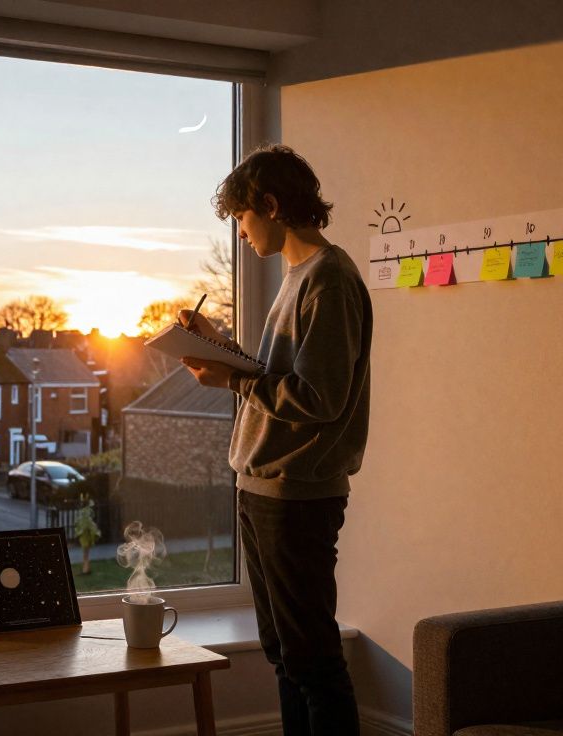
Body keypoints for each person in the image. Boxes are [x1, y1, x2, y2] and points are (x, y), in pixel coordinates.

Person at [180, 144, 372, 735]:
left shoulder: (329, 280)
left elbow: (319, 399)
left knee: (311, 660)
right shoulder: (297, 280)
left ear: (269, 204)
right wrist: (221, 349)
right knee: (284, 655)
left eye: (241, 218)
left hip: (297, 495)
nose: (240, 234)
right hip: (261, 486)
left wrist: (234, 376)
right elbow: (280, 378)